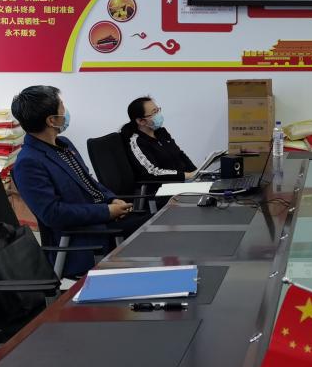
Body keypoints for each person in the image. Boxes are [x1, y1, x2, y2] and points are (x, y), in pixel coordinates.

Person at [10, 85, 138, 277]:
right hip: (85, 236)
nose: (66, 111)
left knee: (159, 224)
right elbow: (53, 214)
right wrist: (106, 211)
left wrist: (111, 199)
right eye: (62, 106)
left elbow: (88, 181)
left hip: (104, 219)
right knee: (155, 236)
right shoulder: (28, 163)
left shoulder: (64, 144)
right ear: (52, 120)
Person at [121, 96, 197, 183]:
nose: (158, 115)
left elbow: (179, 154)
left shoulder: (161, 132)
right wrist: (187, 175)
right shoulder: (136, 142)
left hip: (183, 180)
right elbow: (152, 172)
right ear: (141, 121)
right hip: (163, 186)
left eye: (158, 110)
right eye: (154, 112)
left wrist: (196, 172)